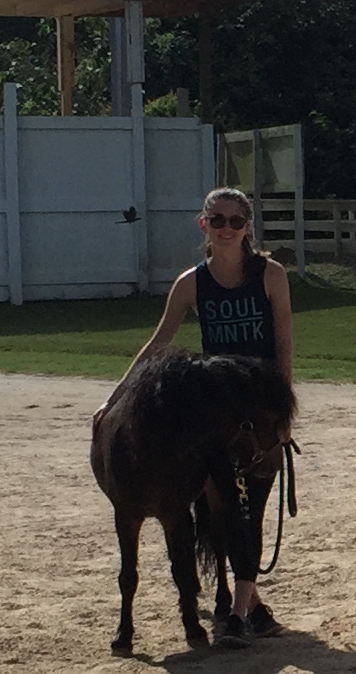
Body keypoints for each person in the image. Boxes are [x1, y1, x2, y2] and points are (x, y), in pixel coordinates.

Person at [103, 186, 295, 641]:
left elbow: (284, 344)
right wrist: (115, 397)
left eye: (236, 221)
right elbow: (159, 342)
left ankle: (240, 608)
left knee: (250, 511)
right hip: (214, 411)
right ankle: (245, 605)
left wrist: (283, 412)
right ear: (203, 224)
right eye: (218, 220)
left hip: (259, 409)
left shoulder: (270, 275)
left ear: (248, 227)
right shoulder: (192, 283)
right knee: (216, 514)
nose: (226, 228)